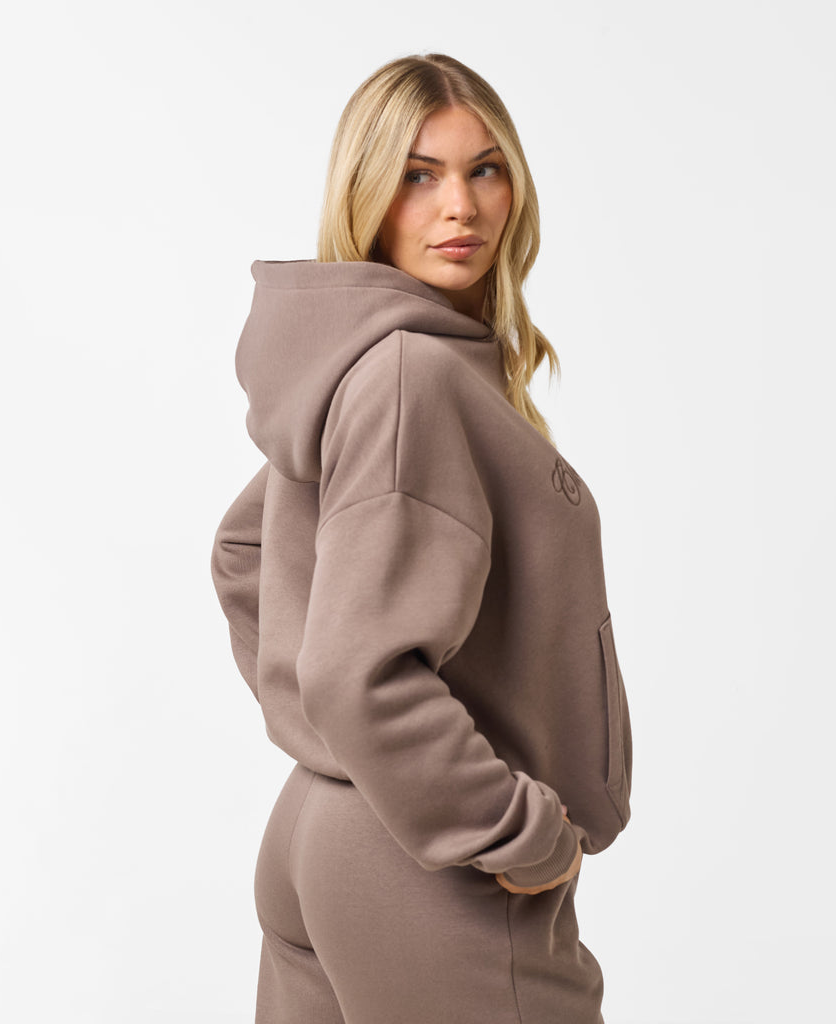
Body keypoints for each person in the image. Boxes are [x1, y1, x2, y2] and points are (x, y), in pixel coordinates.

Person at [210, 52, 633, 1024]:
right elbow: (355, 669)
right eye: (418, 175)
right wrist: (509, 825)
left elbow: (246, 551)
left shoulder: (368, 369)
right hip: (426, 867)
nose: (461, 206)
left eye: (485, 169)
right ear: (366, 194)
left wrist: (337, 746)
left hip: (328, 831)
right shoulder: (409, 377)